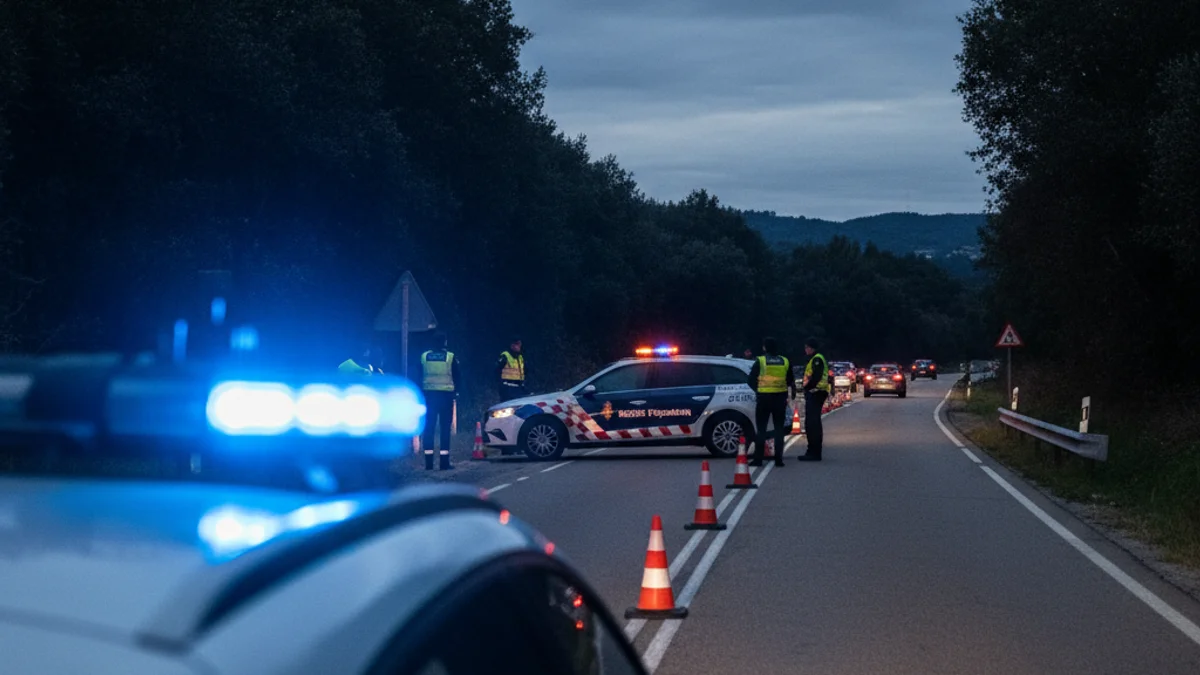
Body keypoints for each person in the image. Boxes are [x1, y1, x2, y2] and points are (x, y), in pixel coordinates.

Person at [746, 337, 796, 468]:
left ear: (765, 348)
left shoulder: (761, 361)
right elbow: (790, 380)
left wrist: (758, 390)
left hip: (764, 399)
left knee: (761, 429)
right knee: (779, 429)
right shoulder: (785, 361)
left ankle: (758, 459)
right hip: (779, 399)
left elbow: (750, 380)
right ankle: (779, 459)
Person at [420, 333, 461, 470]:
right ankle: (444, 463)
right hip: (446, 397)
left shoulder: (424, 357)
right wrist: (457, 393)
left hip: (429, 396)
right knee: (444, 429)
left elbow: (417, 374)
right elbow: (457, 376)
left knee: (429, 428)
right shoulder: (450, 357)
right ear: (445, 342)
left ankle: (429, 464)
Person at [797, 338, 830, 461]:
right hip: (816, 392)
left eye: (807, 347)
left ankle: (814, 452)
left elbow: (816, 377)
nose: (805, 350)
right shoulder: (815, 359)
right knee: (812, 423)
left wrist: (807, 387)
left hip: (816, 392)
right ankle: (812, 451)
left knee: (812, 424)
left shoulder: (816, 359)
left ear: (812, 348)